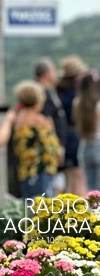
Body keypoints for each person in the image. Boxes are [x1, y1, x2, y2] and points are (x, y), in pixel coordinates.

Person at [11, 80, 62, 199]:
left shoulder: (18, 119)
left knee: (29, 207)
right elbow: (52, 147)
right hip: (41, 171)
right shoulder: (41, 122)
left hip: (24, 171)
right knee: (43, 209)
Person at [57, 54, 87, 196]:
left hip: (64, 137)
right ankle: (82, 214)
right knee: (80, 177)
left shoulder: (59, 92)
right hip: (76, 135)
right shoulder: (78, 95)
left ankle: (68, 213)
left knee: (69, 178)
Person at [73, 69, 100, 192]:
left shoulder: (77, 103)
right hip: (98, 143)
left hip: (84, 146)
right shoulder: (98, 105)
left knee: (91, 188)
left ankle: (93, 211)